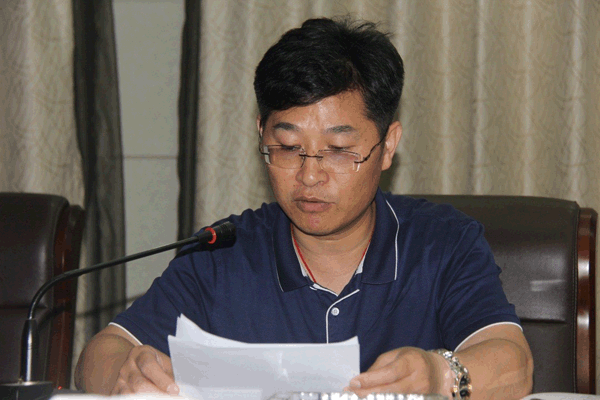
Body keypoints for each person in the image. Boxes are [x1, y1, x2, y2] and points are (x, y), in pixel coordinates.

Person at [75, 17, 533, 399]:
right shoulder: (221, 254)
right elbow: (101, 353)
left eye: (339, 150)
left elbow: (513, 362)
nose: (310, 176)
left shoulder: (442, 242)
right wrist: (125, 372)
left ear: (388, 145)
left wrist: (439, 375)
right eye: (289, 147)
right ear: (262, 134)